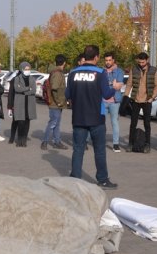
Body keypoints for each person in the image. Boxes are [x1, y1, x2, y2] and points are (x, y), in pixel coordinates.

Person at [66, 45, 117, 189]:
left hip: (78, 117)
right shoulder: (100, 72)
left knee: (78, 149)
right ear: (96, 57)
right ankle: (102, 180)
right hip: (96, 118)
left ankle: (75, 178)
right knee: (99, 150)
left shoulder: (73, 73)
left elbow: (67, 94)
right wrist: (114, 88)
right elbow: (106, 94)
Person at [124, 52, 157, 153]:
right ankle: (130, 144)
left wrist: (152, 97)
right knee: (133, 123)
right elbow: (129, 84)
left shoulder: (153, 70)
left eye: (143, 62)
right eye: (139, 62)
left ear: (147, 60)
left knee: (147, 124)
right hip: (136, 100)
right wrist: (125, 96)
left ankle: (147, 144)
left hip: (147, 100)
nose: (141, 64)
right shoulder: (134, 69)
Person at [42, 54, 68, 150]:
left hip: (56, 103)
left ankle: (57, 141)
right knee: (53, 123)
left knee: (56, 124)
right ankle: (45, 142)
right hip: (55, 103)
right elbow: (54, 88)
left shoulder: (57, 72)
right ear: (64, 63)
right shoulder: (57, 73)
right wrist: (59, 102)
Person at [8, 61, 37, 147]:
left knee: (27, 122)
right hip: (20, 103)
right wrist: (28, 88)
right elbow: (17, 89)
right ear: (22, 69)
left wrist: (24, 90)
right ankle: (19, 139)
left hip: (29, 103)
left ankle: (24, 140)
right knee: (20, 122)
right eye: (26, 69)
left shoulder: (32, 78)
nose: (27, 70)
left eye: (29, 69)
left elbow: (33, 90)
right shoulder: (17, 78)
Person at [102, 52, 125, 152]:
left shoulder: (119, 71)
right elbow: (101, 85)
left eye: (109, 60)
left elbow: (118, 86)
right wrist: (112, 83)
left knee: (114, 122)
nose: (107, 62)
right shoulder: (102, 71)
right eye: (106, 60)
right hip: (102, 101)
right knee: (101, 123)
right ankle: (101, 142)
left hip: (114, 101)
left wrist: (108, 84)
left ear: (113, 60)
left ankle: (116, 144)